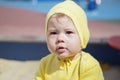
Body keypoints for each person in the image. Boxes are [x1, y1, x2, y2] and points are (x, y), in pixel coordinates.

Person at [34, 0, 104, 80]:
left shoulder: (89, 65)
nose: (60, 39)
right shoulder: (45, 64)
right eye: (53, 33)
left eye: (68, 32)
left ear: (82, 37)